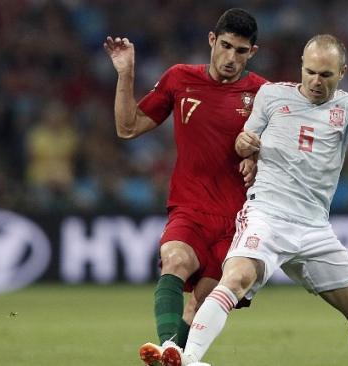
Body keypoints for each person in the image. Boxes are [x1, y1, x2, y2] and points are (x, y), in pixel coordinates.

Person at [158, 34, 348, 366]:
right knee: (237, 277)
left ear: (342, 72)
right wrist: (246, 146)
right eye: (310, 71)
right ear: (301, 67)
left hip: (314, 228)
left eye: (326, 75)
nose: (316, 81)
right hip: (266, 214)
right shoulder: (271, 95)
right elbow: (244, 143)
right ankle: (188, 360)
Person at [103, 8, 266, 366]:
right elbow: (127, 127)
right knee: (173, 261)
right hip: (189, 207)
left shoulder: (263, 94)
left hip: (239, 219)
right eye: (225, 46)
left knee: (202, 303)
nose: (230, 57)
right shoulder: (179, 79)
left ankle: (173, 355)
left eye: (241, 51)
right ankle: (169, 349)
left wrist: (258, 157)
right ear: (212, 40)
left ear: (252, 53)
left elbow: (282, 153)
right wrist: (126, 73)